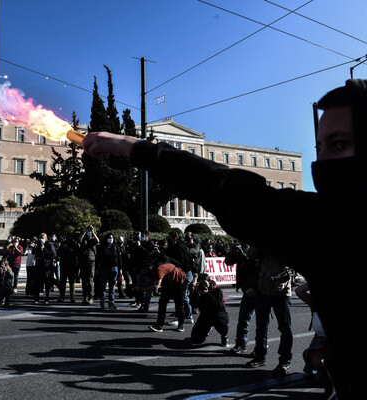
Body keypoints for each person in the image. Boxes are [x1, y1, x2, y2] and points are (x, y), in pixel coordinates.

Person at [82, 79, 367, 397]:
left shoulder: (339, 223)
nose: (324, 160)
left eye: (339, 144)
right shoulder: (330, 222)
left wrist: (132, 147)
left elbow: (230, 190)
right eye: (321, 147)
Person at [245, 250, 294, 376]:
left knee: (285, 328)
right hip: (262, 291)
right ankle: (260, 356)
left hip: (282, 293)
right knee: (261, 327)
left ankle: (285, 362)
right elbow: (250, 255)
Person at [139, 252, 186, 333]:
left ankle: (181, 324)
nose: (143, 273)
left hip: (180, 283)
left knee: (179, 305)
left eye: (143, 271)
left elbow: (155, 286)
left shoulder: (160, 268)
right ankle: (159, 325)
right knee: (162, 303)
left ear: (149, 268)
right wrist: (142, 285)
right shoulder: (153, 269)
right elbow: (152, 280)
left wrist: (141, 289)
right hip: (169, 283)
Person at [189, 275, 229, 347]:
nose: (203, 285)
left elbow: (217, 305)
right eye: (200, 283)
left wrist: (207, 294)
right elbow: (192, 304)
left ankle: (224, 336)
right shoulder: (199, 291)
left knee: (220, 323)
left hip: (218, 314)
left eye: (204, 283)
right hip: (205, 315)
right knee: (195, 339)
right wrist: (196, 292)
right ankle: (207, 329)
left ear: (209, 282)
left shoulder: (216, 290)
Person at [95, 233, 122, 310]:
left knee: (112, 286)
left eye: (112, 237)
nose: (111, 239)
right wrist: (98, 268)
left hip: (114, 268)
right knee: (103, 286)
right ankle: (102, 302)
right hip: (104, 268)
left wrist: (120, 269)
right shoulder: (102, 247)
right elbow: (98, 258)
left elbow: (119, 258)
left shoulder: (116, 247)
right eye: (109, 237)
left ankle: (111, 302)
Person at [33, 233, 58, 304]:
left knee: (47, 282)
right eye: (41, 237)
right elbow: (34, 253)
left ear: (46, 238)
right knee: (38, 283)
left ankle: (47, 298)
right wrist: (37, 247)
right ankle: (36, 298)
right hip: (39, 266)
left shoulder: (49, 245)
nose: (42, 239)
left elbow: (52, 255)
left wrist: (43, 248)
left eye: (43, 237)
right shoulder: (37, 245)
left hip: (47, 266)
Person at [78, 225, 98, 305]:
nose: (89, 232)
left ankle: (90, 297)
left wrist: (93, 231)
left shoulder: (93, 239)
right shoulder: (84, 239)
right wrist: (85, 231)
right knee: (84, 280)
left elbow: (97, 240)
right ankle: (85, 297)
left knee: (90, 280)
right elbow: (80, 239)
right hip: (83, 261)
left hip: (91, 261)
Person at [57, 237, 79, 303]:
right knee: (63, 282)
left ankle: (72, 297)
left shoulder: (74, 246)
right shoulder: (62, 246)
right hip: (64, 265)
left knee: (72, 283)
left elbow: (77, 254)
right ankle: (62, 296)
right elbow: (59, 254)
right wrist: (64, 247)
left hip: (72, 266)